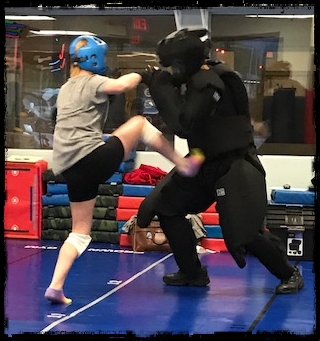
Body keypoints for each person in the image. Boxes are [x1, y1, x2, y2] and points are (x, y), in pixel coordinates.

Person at [136, 28, 304, 293]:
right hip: (204, 158)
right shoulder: (195, 77)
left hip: (234, 162)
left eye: (176, 65)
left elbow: (183, 125)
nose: (172, 71)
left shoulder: (210, 82)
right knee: (166, 208)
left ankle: (289, 272)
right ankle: (192, 272)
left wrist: (159, 88)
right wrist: (157, 80)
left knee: (245, 233)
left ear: (188, 61)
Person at [44, 35, 204, 304]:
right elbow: (121, 86)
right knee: (140, 123)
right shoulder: (91, 82)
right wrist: (144, 74)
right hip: (91, 158)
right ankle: (183, 164)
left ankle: (56, 286)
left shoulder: (67, 88)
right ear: (94, 59)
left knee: (80, 232)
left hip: (70, 169)